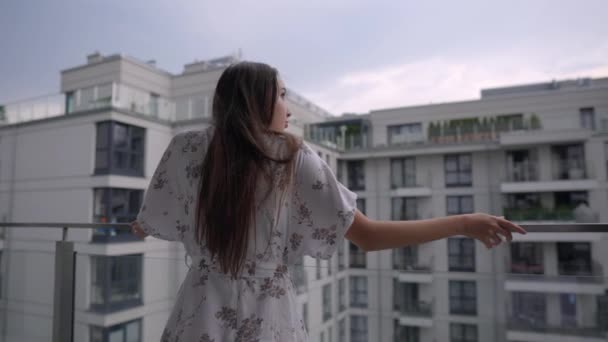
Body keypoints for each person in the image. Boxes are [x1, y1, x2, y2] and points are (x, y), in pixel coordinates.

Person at [130, 61, 527, 342]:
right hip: (267, 320)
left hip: (197, 313)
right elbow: (368, 236)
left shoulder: (185, 148)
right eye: (282, 95)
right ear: (258, 101)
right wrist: (463, 223)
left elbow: (152, 219)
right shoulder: (291, 159)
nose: (289, 107)